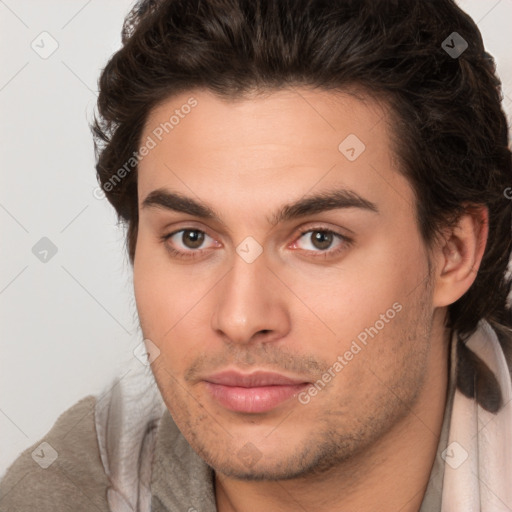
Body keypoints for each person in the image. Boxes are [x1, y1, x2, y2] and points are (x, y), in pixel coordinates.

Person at [1, 0, 511, 510]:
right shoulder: (63, 496)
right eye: (192, 238)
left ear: (453, 251)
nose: (241, 318)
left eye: (319, 239)